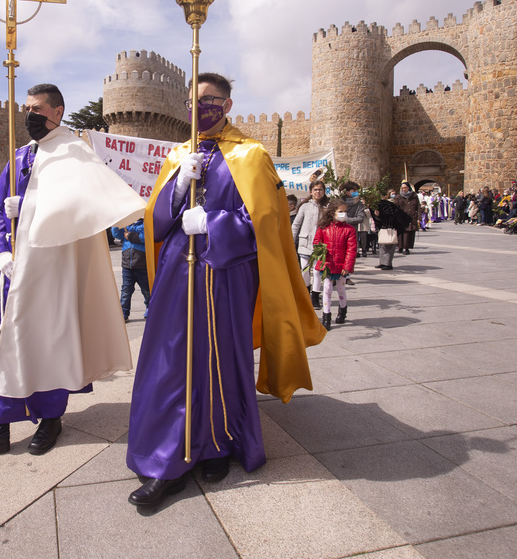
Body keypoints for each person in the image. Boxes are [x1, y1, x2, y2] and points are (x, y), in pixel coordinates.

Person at [126, 73, 326, 508]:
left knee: (218, 358)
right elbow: (155, 222)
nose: (201, 107)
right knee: (173, 361)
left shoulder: (252, 155)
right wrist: (178, 186)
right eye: (194, 100)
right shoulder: (178, 154)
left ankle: (218, 442)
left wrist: (213, 224)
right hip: (179, 272)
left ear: (228, 105)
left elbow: (266, 224)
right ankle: (168, 456)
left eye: (210, 100)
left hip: (226, 272)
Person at [0, 83, 144, 459]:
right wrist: (1, 246)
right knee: (9, 341)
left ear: (57, 111)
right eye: (27, 108)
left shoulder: (76, 154)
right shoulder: (19, 156)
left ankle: (51, 418)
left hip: (57, 267)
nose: (29, 115)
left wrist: (38, 205)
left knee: (54, 339)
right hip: (18, 268)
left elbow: (91, 204)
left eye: (37, 108)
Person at [313, 199, 357, 329]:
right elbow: (316, 241)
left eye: (345, 211)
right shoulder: (323, 228)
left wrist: (347, 266)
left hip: (341, 266)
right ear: (333, 213)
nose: (343, 214)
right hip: (327, 265)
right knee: (326, 289)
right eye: (340, 211)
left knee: (341, 289)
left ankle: (342, 311)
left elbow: (351, 249)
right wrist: (320, 249)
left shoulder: (349, 230)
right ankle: (326, 316)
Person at [291, 180, 329, 308]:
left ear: (324, 192)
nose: (318, 192)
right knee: (305, 271)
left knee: (318, 272)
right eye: (316, 190)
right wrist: (291, 239)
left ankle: (315, 296)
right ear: (311, 192)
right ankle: (306, 293)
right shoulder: (304, 206)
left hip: (320, 245)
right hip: (305, 243)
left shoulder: (327, 207)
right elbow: (296, 224)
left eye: (320, 190)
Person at [111, 218, 150, 322]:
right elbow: (117, 234)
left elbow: (145, 237)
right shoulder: (126, 224)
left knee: (147, 290)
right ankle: (123, 312)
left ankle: (150, 308)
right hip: (127, 264)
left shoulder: (145, 223)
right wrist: (116, 224)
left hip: (142, 263)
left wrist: (129, 236)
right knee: (126, 290)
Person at [372, 191, 412, 271]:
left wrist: (380, 215)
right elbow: (376, 219)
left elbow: (390, 216)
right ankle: (382, 262)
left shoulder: (385, 204)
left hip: (394, 224)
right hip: (384, 226)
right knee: (382, 244)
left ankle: (388, 264)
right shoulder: (373, 206)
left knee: (390, 244)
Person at [395, 181, 420, 255]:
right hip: (401, 218)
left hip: (411, 217)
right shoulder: (398, 197)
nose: (404, 189)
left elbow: (418, 207)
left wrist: (419, 218)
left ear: (408, 188)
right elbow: (395, 207)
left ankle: (406, 248)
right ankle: (400, 247)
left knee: (408, 233)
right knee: (400, 233)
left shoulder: (414, 196)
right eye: (402, 188)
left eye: (405, 188)